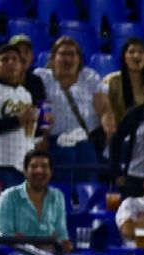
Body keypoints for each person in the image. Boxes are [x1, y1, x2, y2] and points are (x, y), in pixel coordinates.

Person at [34, 36, 102, 183]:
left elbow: (103, 108)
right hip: (54, 141)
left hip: (84, 142)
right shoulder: (42, 76)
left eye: (72, 54)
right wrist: (42, 138)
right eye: (63, 54)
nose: (68, 59)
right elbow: (40, 108)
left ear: (79, 59)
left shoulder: (90, 77)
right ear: (53, 58)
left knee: (87, 186)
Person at [0, 149, 71, 253]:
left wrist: (62, 244)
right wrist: (42, 245)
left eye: (44, 166)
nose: (39, 171)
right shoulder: (9, 197)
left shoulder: (58, 196)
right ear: (25, 171)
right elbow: (5, 237)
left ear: (51, 172)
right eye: (33, 166)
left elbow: (62, 236)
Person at [95, 38, 144, 143]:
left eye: (141, 52)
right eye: (131, 52)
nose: (136, 56)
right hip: (119, 136)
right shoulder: (111, 80)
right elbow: (105, 111)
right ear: (124, 56)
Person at [0, 43, 36, 188]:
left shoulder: (25, 93)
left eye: (15, 59)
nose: (11, 63)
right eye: (5, 59)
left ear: (22, 66)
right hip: (1, 164)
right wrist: (18, 120)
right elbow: (20, 120)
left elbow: (28, 131)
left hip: (22, 165)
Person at [8, 35, 46, 105]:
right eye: (18, 52)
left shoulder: (36, 81)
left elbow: (42, 110)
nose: (22, 56)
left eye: (26, 52)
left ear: (32, 57)